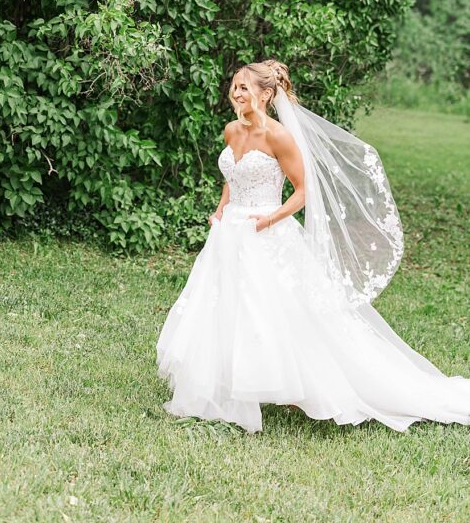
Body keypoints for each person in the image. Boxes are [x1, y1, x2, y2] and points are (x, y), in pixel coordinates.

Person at [156, 58, 470, 433]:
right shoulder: (231, 130)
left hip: (266, 231)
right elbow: (232, 177)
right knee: (226, 304)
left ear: (265, 94)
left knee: (278, 310)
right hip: (230, 233)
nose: (235, 93)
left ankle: (299, 384)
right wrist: (220, 210)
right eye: (234, 86)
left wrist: (268, 220)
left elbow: (303, 191)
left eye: (244, 87)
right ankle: (233, 381)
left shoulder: (278, 136)